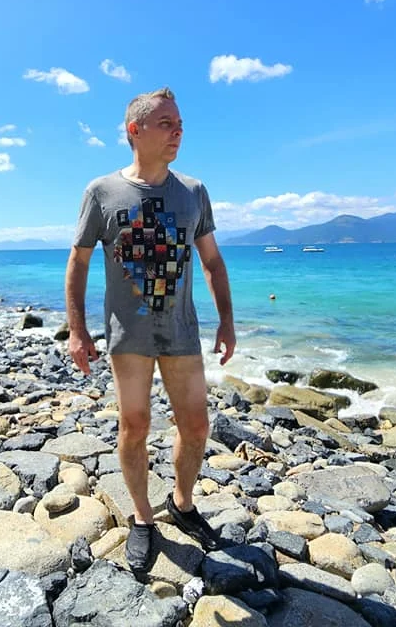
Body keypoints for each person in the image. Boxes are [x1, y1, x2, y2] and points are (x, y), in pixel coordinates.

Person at [65, 86, 236, 573]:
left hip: (182, 330)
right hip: (128, 334)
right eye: (166, 123)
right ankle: (142, 517)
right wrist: (77, 332)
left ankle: (182, 504)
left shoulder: (193, 191)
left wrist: (226, 320)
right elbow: (77, 264)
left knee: (197, 426)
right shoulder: (102, 192)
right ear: (134, 131)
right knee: (134, 425)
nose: (178, 130)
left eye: (180, 123)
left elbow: (213, 261)